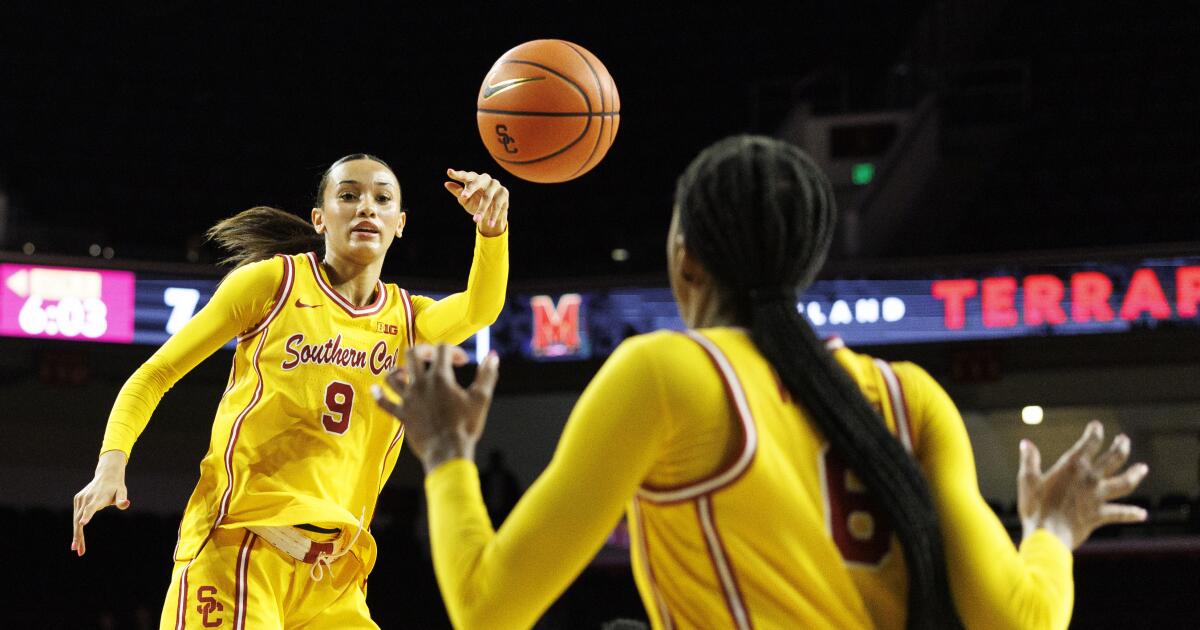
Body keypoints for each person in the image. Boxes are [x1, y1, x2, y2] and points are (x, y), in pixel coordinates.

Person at [373, 136, 1149, 630]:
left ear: (685, 259)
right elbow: (1021, 621)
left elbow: (486, 607)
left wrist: (446, 454)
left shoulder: (668, 373)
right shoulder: (908, 394)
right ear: (806, 261)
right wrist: (1051, 532)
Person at [71, 154, 511, 629]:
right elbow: (155, 374)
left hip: (335, 576)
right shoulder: (273, 284)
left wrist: (491, 230)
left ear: (399, 224)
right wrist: (110, 463)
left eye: (382, 199)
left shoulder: (410, 320)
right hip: (239, 554)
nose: (367, 207)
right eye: (349, 195)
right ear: (320, 219)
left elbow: (479, 310)